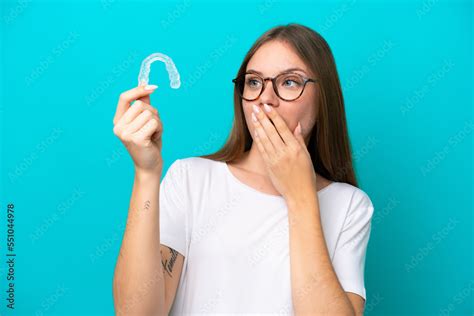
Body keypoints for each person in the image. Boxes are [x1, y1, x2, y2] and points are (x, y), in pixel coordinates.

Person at [112, 23, 374, 315]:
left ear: (323, 96)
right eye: (253, 82)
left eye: (289, 82)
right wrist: (146, 174)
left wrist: (301, 197)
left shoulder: (349, 206)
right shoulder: (191, 179)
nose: (265, 98)